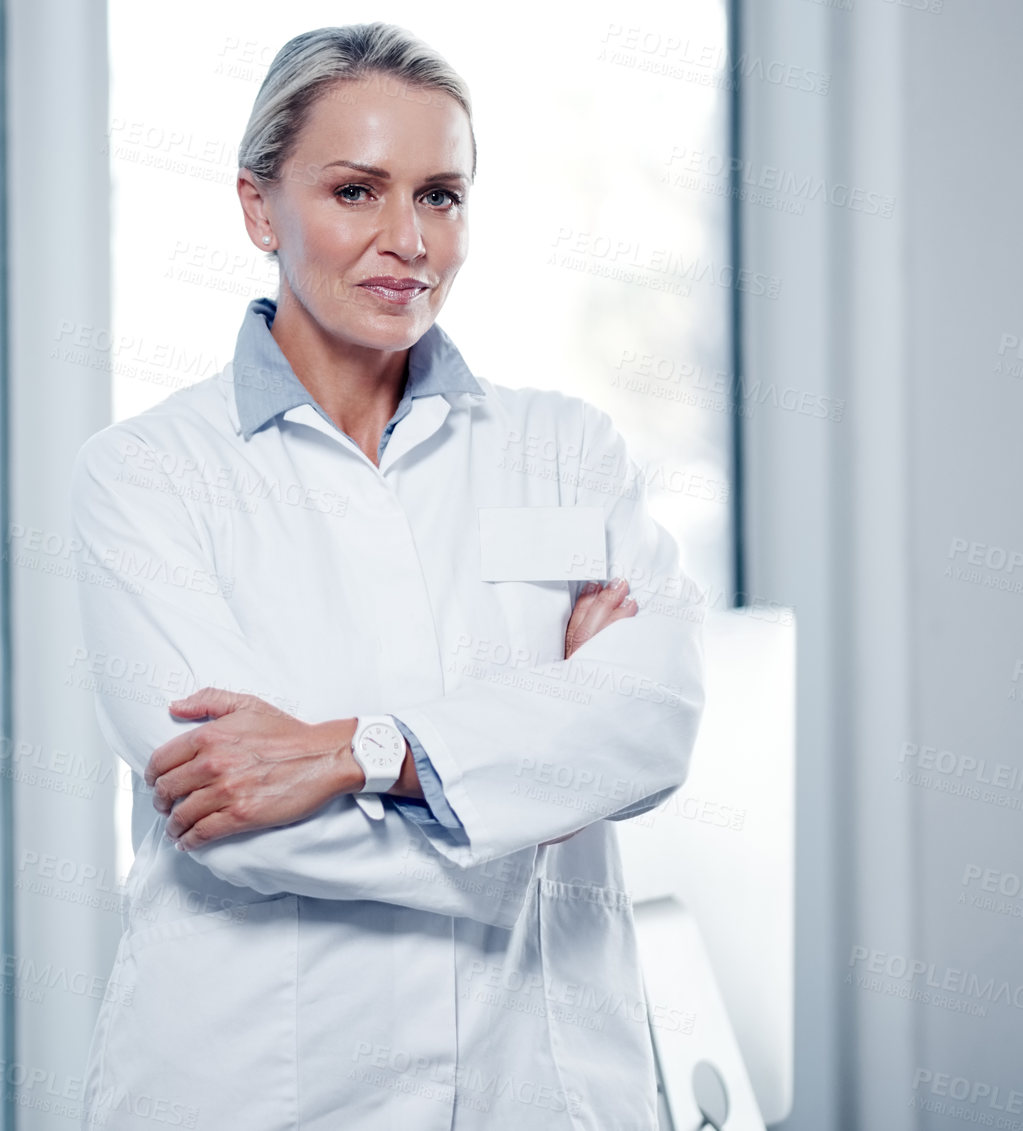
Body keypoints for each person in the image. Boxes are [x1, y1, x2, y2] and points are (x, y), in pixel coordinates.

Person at [69, 21, 707, 1131]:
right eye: (357, 192)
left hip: (537, 1087)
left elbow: (652, 720)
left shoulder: (568, 449)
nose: (407, 239)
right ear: (259, 207)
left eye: (441, 195)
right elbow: (239, 813)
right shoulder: (147, 477)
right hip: (261, 1092)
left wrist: (357, 752)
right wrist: (544, 775)